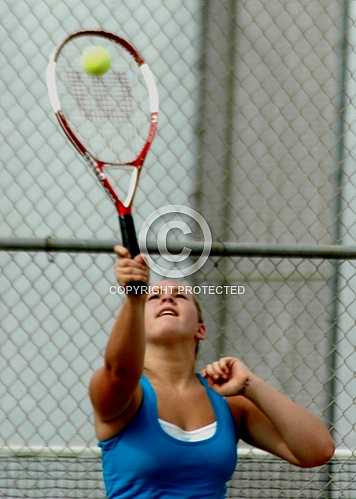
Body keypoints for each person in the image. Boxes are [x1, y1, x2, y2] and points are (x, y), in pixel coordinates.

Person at [89, 246, 335, 499]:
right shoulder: (127, 393)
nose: (167, 299)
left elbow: (318, 450)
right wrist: (134, 298)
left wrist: (251, 384)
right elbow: (120, 370)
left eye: (180, 296)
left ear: (201, 329)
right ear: (137, 322)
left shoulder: (230, 403)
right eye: (153, 297)